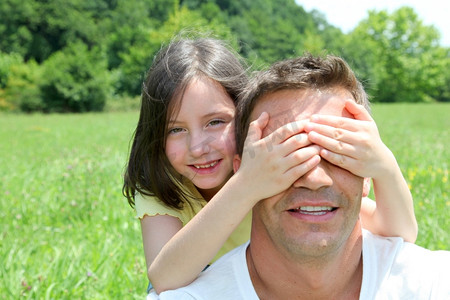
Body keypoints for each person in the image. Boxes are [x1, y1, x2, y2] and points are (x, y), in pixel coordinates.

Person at [123, 38, 417, 295]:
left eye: (215, 122)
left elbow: (399, 233)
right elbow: (164, 279)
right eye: (176, 130)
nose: (197, 147)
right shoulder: (161, 186)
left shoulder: (275, 172)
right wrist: (247, 184)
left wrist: (384, 166)